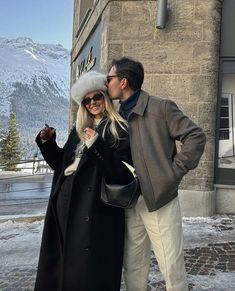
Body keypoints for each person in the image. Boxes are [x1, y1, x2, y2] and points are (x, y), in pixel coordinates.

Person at [106, 57, 206, 291]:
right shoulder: (117, 116)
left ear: (123, 82)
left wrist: (172, 175)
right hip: (131, 202)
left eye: (108, 78)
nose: (105, 83)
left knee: (171, 268)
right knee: (133, 268)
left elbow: (196, 136)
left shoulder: (160, 108)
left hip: (161, 201)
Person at [34, 71, 134, 291]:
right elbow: (62, 166)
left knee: (87, 270)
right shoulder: (79, 129)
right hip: (65, 200)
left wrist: (97, 145)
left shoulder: (119, 128)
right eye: (86, 100)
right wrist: (48, 143)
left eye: (96, 97)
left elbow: (121, 174)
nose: (92, 103)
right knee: (63, 261)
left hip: (94, 207)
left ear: (105, 97)